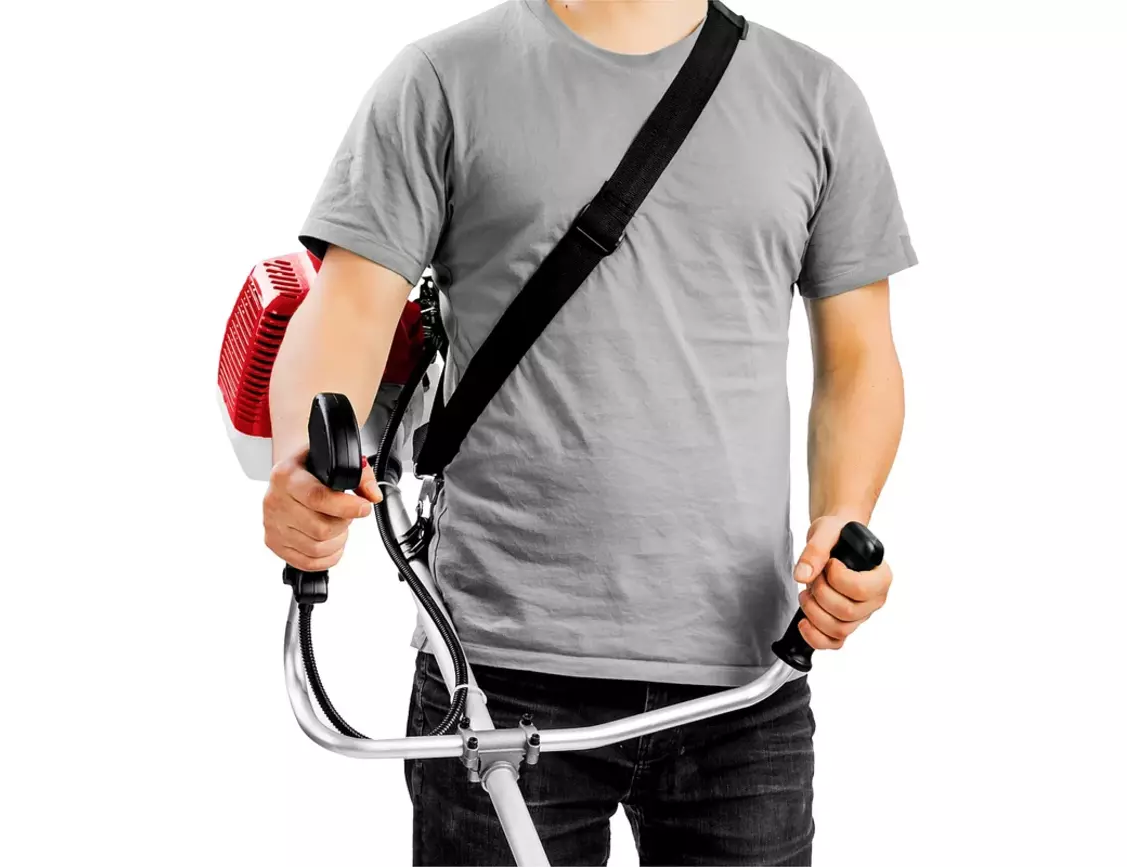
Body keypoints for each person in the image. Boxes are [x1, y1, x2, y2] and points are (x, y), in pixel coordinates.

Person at [263, 1, 915, 864]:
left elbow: (860, 357)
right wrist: (302, 464)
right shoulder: (442, 81)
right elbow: (348, 307)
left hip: (747, 679)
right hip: (494, 670)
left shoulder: (817, 99)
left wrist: (845, 514)